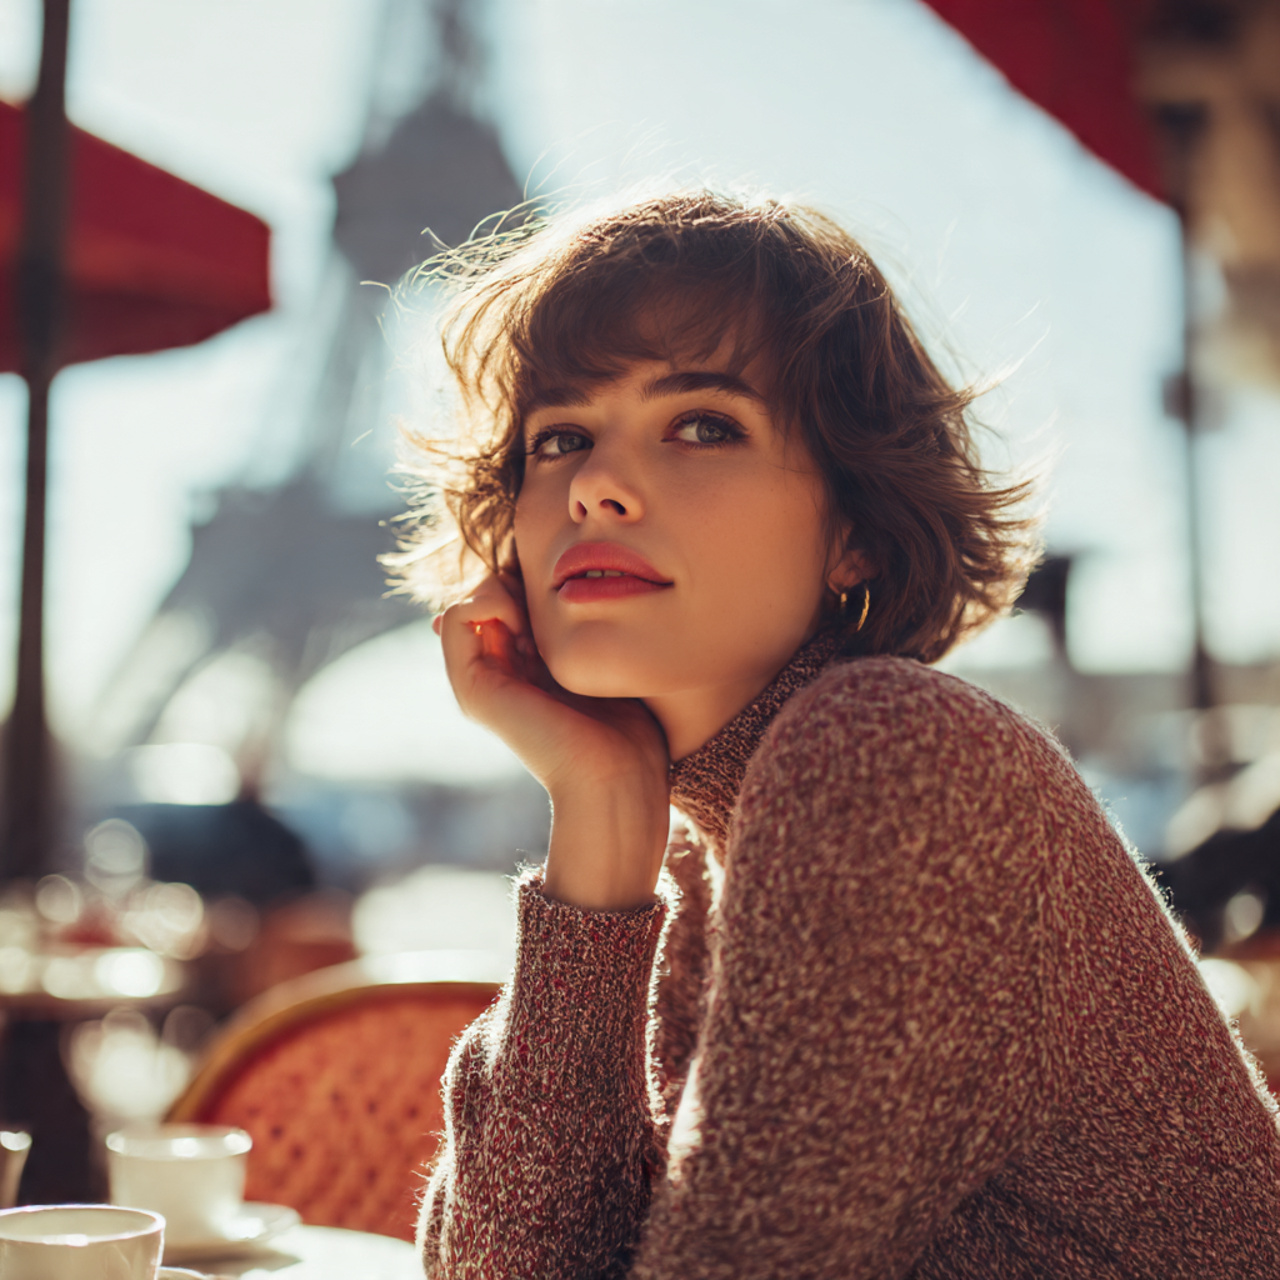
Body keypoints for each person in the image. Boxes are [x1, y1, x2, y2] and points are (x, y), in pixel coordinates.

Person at [396, 189, 1280, 1278]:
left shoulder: (888, 755)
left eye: (702, 424)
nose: (596, 486)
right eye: (560, 437)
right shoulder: (695, 850)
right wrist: (594, 818)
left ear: (853, 532)